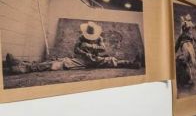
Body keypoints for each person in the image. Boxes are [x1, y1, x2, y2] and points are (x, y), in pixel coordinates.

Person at [4, 21, 140, 75]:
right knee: (56, 59)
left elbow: (103, 51)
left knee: (58, 64)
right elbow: (76, 50)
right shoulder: (81, 38)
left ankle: (25, 68)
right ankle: (23, 64)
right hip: (80, 58)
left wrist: (91, 51)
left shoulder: (99, 39)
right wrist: (84, 52)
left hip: (88, 61)